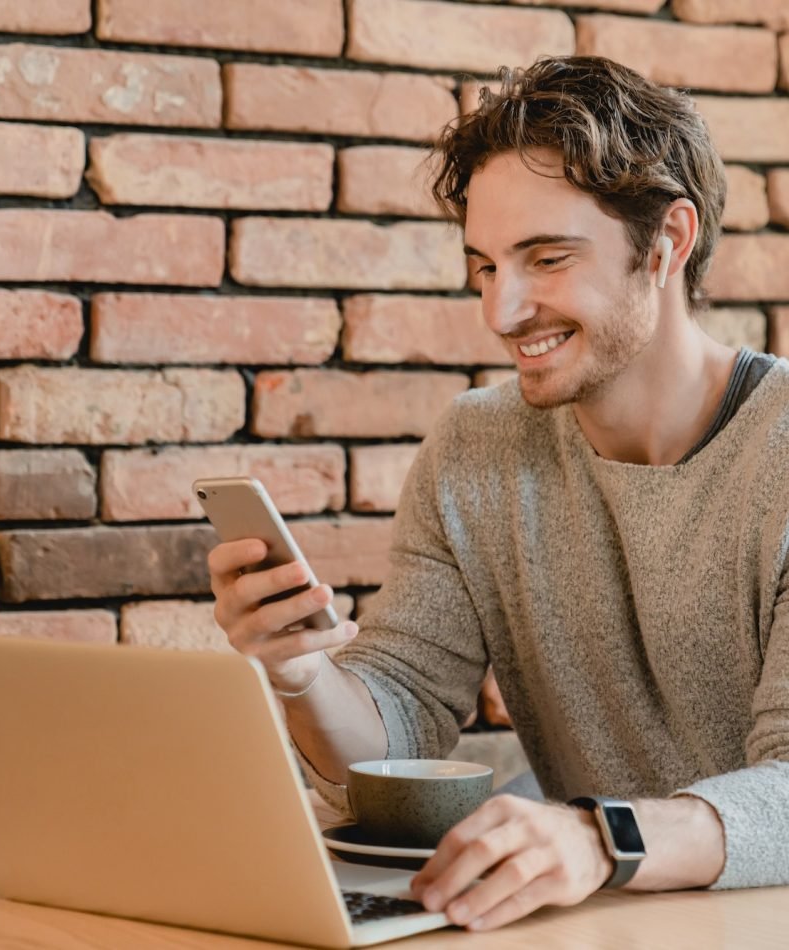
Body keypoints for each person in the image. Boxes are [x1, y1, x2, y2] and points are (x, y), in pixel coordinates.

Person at [208, 56, 789, 931]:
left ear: (668, 242)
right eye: (483, 266)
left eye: (545, 258)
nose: (503, 310)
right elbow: (397, 734)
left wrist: (601, 839)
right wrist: (300, 675)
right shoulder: (476, 446)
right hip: (605, 923)